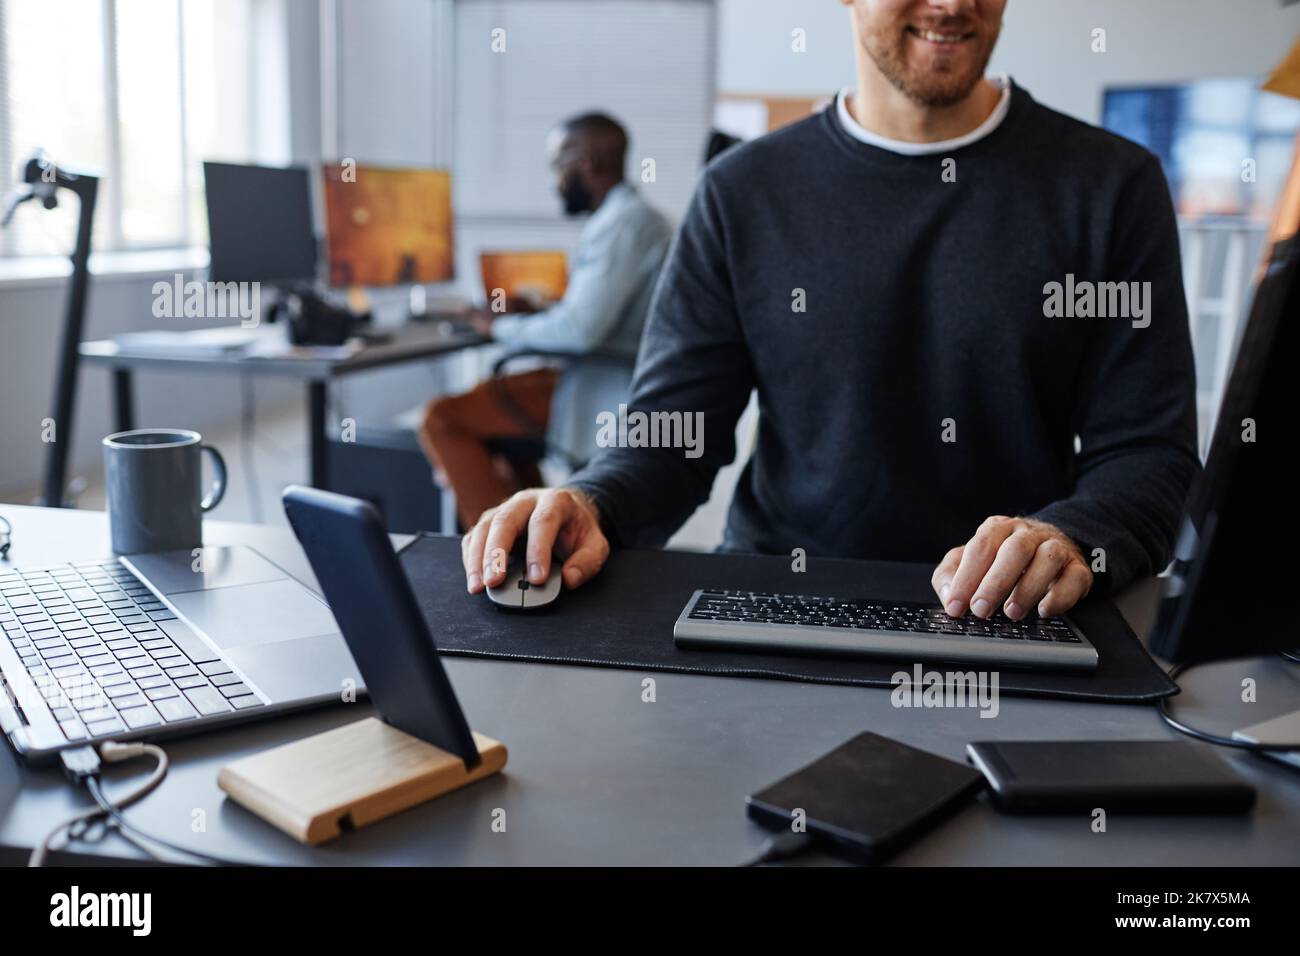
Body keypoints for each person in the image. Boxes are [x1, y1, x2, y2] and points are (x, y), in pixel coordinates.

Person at [459, 0, 1201, 626]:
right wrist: (594, 497)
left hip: (1010, 616)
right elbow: (674, 430)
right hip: (778, 600)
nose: (951, 4)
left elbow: (1149, 453)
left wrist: (1071, 534)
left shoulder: (1112, 188)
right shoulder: (742, 191)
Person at [419, 112, 673, 527]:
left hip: (607, 385)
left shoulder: (623, 224)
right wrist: (541, 312)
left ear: (585, 164)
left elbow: (580, 330)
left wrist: (496, 326)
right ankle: (531, 531)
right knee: (489, 412)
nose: (554, 180)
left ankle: (499, 548)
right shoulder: (633, 219)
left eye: (557, 166)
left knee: (443, 417)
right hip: (607, 374)